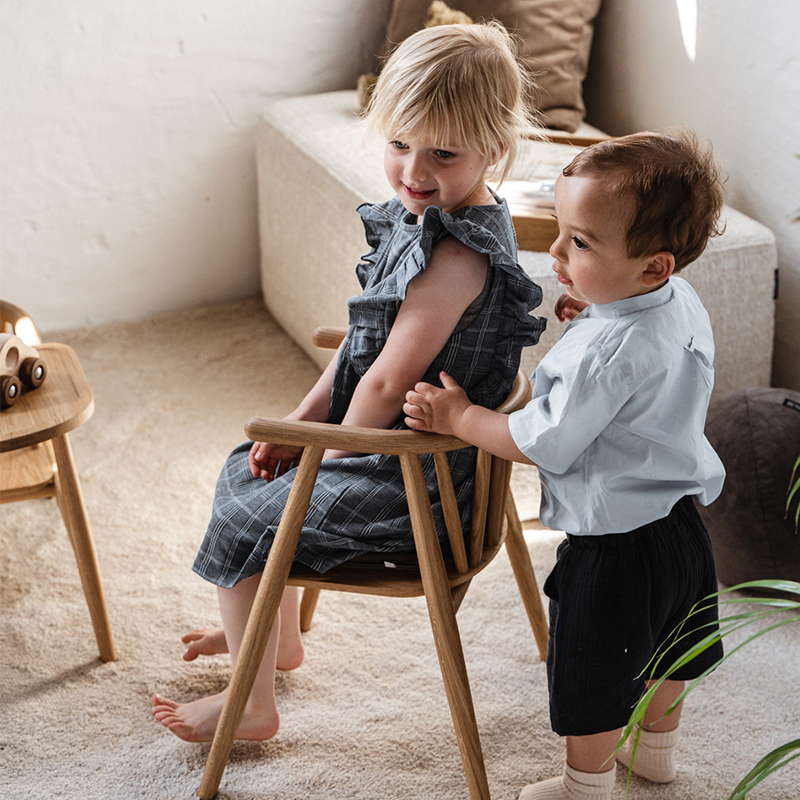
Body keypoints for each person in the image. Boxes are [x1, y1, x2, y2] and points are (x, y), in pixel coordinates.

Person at [151, 21, 546, 743]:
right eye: (399, 144)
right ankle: (275, 642)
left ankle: (254, 699)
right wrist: (302, 417)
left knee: (246, 512)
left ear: (496, 149)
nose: (413, 170)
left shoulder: (455, 254)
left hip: (422, 481)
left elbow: (391, 380)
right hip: (396, 444)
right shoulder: (425, 218)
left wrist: (322, 452)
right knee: (253, 469)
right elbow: (367, 343)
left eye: (443, 153)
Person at [403, 130, 727, 800]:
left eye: (580, 243)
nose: (555, 252)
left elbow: (539, 440)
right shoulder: (678, 303)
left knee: (595, 672)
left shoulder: (604, 352)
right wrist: (599, 306)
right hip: (682, 528)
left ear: (653, 266)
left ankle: (586, 785)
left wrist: (460, 417)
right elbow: (645, 360)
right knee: (672, 650)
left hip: (613, 548)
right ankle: (657, 754)